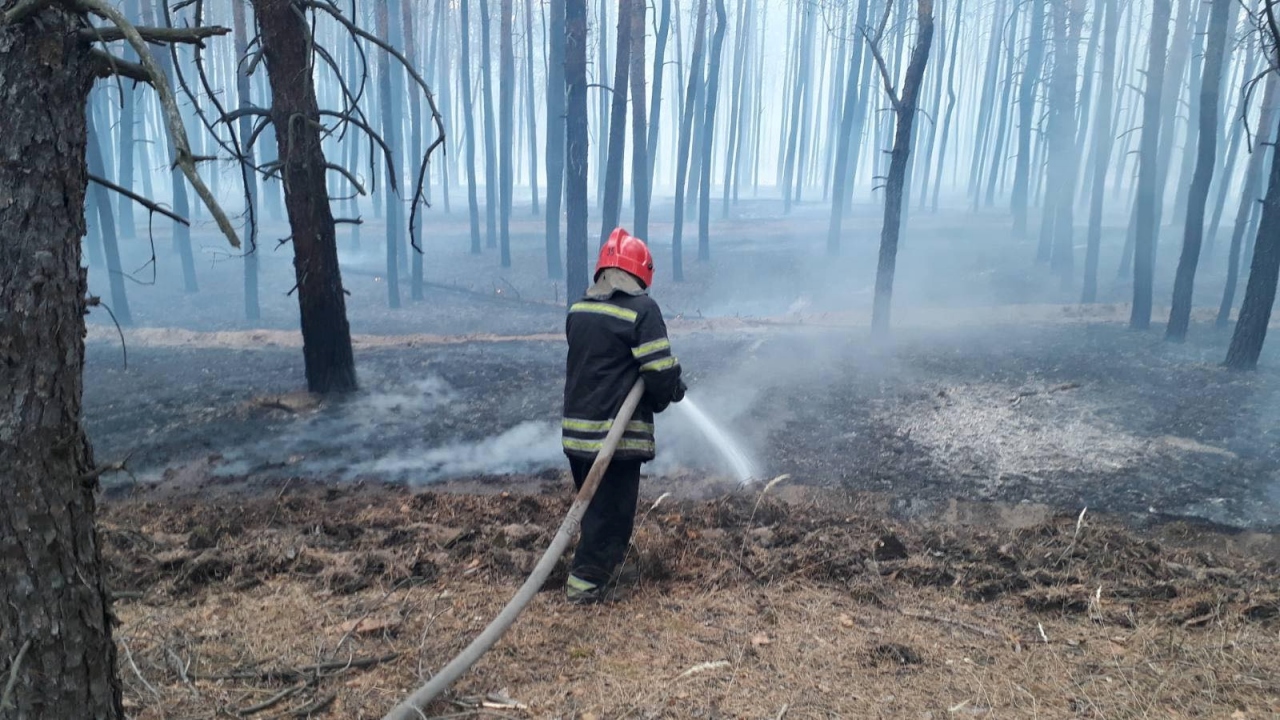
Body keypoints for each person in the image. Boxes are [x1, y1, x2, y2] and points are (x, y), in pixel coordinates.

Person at [561, 227, 686, 604]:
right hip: (615, 439)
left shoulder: (579, 310)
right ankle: (585, 585)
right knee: (612, 515)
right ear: (640, 274)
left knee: (595, 511)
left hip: (577, 436)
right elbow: (660, 372)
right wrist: (671, 389)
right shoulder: (642, 311)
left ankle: (605, 568)